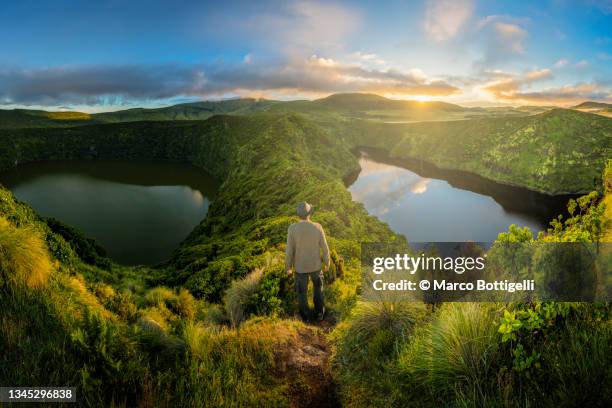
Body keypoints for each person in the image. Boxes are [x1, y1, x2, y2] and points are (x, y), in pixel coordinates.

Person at [285, 201, 330, 322]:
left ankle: (305, 317)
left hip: (300, 268)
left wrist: (288, 267)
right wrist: (327, 262)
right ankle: (319, 313)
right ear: (309, 214)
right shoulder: (318, 226)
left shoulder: (292, 229)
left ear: (298, 215)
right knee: (318, 290)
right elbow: (325, 247)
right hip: (316, 266)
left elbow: (289, 250)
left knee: (302, 293)